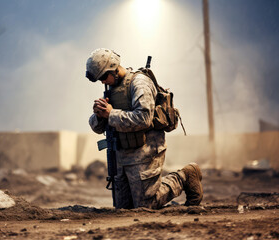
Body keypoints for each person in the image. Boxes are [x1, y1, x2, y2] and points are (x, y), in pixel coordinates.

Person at [86, 48, 203, 209]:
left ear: (114, 68)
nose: (103, 82)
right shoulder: (112, 90)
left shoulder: (139, 83)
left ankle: (185, 175)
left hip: (145, 151)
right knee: (123, 208)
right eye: (100, 79)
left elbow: (144, 119)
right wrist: (99, 116)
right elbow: (98, 127)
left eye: (104, 77)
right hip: (121, 154)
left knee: (147, 204)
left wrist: (111, 114)